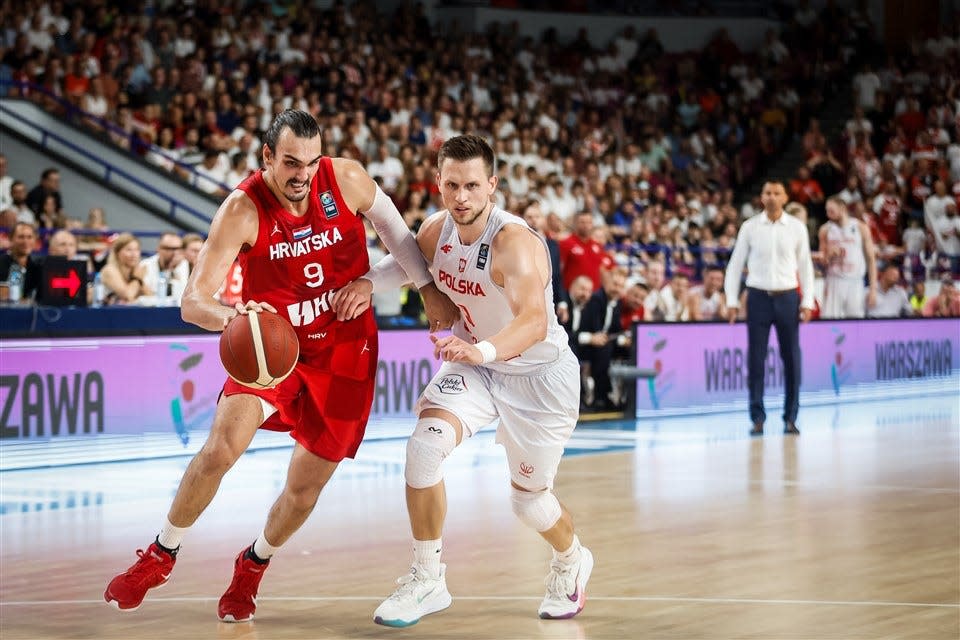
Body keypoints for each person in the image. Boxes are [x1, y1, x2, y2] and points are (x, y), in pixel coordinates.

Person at [103, 109, 458, 622]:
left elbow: (400, 237)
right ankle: (162, 553)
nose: (302, 175)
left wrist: (416, 288)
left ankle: (253, 564)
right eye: (291, 163)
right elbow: (192, 301)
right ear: (268, 157)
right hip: (275, 352)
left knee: (304, 488)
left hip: (345, 351)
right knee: (220, 449)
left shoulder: (348, 178)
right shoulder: (242, 209)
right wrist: (236, 315)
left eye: (311, 163)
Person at [334, 134, 593, 626]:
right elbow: (408, 261)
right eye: (451, 185)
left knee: (528, 502)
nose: (461, 197)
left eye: (472, 185)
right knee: (424, 448)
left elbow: (534, 321)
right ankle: (427, 578)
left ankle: (571, 559)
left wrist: (482, 348)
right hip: (477, 366)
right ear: (438, 183)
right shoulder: (437, 230)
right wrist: (369, 282)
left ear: (492, 185)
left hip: (540, 378)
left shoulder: (514, 243)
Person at [724, 181, 815, 437]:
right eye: (767, 193)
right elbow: (734, 266)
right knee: (756, 358)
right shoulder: (750, 227)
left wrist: (807, 301)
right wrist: (731, 301)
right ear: (761, 197)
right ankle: (757, 417)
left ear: (785, 197)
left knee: (792, 359)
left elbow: (806, 267)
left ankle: (791, 417)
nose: (772, 197)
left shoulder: (797, 228)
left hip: (787, 297)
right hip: (758, 297)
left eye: (777, 193)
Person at [818, 197, 878, 319]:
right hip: (834, 280)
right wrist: (829, 255)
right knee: (829, 322)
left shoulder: (860, 227)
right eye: (827, 211)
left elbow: (871, 260)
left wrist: (873, 289)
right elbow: (822, 262)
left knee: (856, 323)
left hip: (855, 282)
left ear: (842, 209)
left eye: (831, 211)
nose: (828, 214)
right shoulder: (825, 230)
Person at [99, 232, 152, 304]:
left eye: (137, 250)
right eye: (129, 250)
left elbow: (151, 297)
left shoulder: (136, 270)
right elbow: (127, 296)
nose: (134, 254)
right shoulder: (110, 270)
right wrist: (137, 279)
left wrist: (140, 280)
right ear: (117, 253)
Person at [139, 231, 189, 304]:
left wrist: (172, 270)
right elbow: (147, 295)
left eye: (178, 248)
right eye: (169, 249)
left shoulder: (184, 264)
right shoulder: (146, 264)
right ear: (159, 248)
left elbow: (181, 295)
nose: (175, 252)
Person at [0, 222, 43, 301]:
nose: (25, 241)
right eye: (21, 237)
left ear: (35, 240)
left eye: (29, 237)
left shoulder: (38, 267)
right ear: (10, 239)